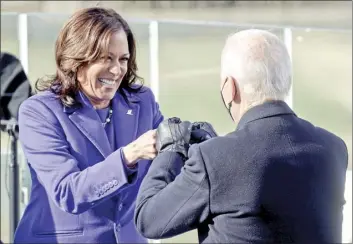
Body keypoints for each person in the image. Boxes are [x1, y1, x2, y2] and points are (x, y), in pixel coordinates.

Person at [134, 29, 349, 243]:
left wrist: (171, 151)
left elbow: (148, 220)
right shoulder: (333, 149)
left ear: (229, 88)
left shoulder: (214, 159)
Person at [14, 7, 164, 243]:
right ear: (76, 59)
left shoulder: (142, 101)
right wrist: (128, 156)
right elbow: (68, 193)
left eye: (123, 59)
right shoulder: (38, 112)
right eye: (106, 58)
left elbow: (166, 168)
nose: (117, 70)